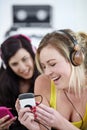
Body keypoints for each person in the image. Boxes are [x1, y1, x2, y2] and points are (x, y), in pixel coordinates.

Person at [15, 29, 87, 130]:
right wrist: (35, 129)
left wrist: (61, 123)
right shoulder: (43, 82)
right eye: (44, 66)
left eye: (52, 64)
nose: (47, 73)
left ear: (76, 59)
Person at [0, 34, 39, 130]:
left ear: (33, 53)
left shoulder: (46, 78)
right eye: (14, 64)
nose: (22, 68)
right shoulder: (2, 84)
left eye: (24, 59)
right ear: (7, 66)